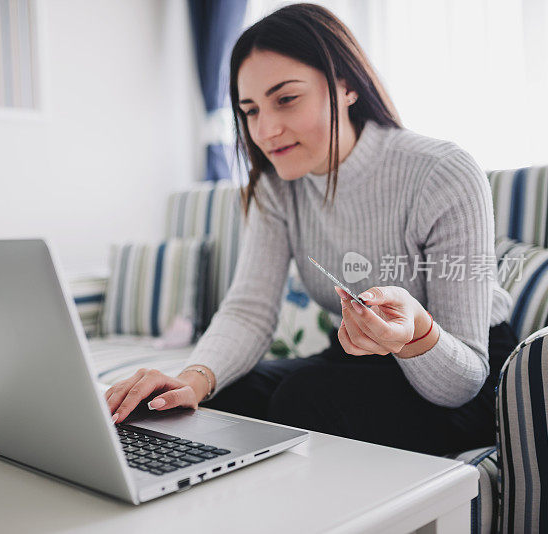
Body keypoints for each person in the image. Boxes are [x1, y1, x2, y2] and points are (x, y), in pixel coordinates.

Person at [103, 3, 518, 456]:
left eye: (285, 99)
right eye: (249, 110)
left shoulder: (441, 171)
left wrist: (416, 331)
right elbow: (249, 309)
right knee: (221, 401)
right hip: (361, 364)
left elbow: (462, 382)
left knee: (306, 395)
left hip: (460, 371)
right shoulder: (277, 185)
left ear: (346, 86)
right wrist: (191, 380)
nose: (265, 130)